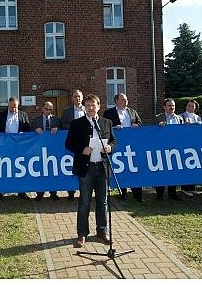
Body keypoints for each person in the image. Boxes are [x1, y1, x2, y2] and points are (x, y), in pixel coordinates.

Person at [65, 94, 117, 248]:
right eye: (87, 105)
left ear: (99, 106)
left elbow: (114, 141)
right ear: (84, 107)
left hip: (102, 167)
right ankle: (82, 234)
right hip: (85, 169)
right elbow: (68, 144)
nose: (90, 108)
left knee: (103, 202)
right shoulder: (76, 124)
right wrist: (82, 149)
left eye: (93, 105)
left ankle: (102, 232)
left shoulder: (106, 123)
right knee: (84, 202)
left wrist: (110, 147)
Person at [102, 93, 144, 202]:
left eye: (126, 99)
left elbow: (139, 122)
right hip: (118, 145)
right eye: (122, 99)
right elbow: (105, 127)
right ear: (116, 101)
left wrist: (137, 125)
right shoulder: (109, 113)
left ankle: (137, 194)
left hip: (132, 146)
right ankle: (122, 193)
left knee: (134, 167)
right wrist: (114, 127)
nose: (125, 101)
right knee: (121, 168)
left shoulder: (132, 111)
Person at [0, 96, 32, 200]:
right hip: (5, 146)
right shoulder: (1, 115)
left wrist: (23, 133)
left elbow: (28, 129)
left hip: (19, 147)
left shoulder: (23, 115)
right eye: (11, 107)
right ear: (8, 106)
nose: (13, 109)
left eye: (15, 107)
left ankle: (21, 191)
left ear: (18, 106)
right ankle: (1, 191)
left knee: (21, 169)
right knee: (4, 168)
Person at [31, 101, 62, 201]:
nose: (48, 111)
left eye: (50, 109)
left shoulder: (56, 120)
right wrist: (35, 129)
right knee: (40, 171)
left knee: (52, 171)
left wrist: (57, 129)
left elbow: (62, 131)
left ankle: (53, 192)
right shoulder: (35, 120)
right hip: (39, 150)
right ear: (42, 109)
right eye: (46, 109)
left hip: (53, 150)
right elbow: (29, 131)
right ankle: (40, 193)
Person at [154, 98, 183, 201]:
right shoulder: (158, 118)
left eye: (173, 106)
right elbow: (152, 133)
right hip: (162, 149)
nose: (171, 108)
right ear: (164, 107)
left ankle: (172, 193)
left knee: (173, 171)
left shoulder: (179, 118)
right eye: (169, 105)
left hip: (175, 148)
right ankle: (160, 193)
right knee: (160, 171)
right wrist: (159, 127)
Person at [60, 89, 86, 200]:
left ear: (82, 98)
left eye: (79, 96)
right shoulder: (67, 111)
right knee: (72, 166)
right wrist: (73, 127)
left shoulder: (87, 109)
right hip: (73, 142)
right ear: (72, 99)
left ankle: (84, 192)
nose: (77, 98)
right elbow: (63, 125)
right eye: (75, 96)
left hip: (85, 142)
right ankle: (71, 193)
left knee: (84, 167)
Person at [179, 99, 201, 197]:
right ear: (186, 106)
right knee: (186, 165)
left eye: (193, 106)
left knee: (194, 166)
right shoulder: (180, 117)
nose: (191, 107)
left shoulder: (198, 118)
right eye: (189, 105)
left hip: (195, 144)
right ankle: (185, 188)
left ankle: (192, 187)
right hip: (184, 144)